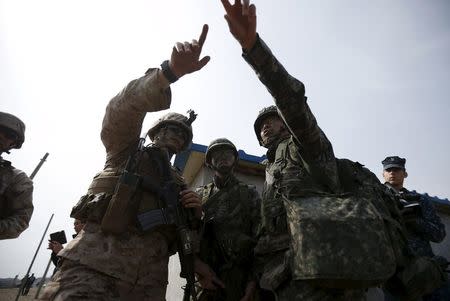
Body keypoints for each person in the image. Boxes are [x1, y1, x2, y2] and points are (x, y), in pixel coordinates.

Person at [40, 25, 218, 301]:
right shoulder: (127, 151)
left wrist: (195, 216)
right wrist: (168, 73)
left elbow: (182, 238)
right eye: (169, 130)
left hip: (148, 284)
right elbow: (121, 109)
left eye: (182, 136)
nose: (175, 137)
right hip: (94, 269)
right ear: (155, 132)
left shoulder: (178, 182)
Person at [220, 1, 373, 299]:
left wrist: (254, 49)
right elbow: (268, 232)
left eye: (273, 120)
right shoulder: (271, 169)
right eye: (260, 126)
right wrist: (255, 282)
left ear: (287, 124)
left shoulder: (305, 146)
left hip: (326, 276)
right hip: (284, 279)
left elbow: (291, 98)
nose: (265, 127)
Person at [196, 138, 261, 301]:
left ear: (235, 159)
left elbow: (261, 239)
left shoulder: (249, 193)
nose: (223, 157)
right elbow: (186, 238)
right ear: (210, 162)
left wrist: (252, 282)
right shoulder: (198, 196)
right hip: (207, 279)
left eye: (227, 153)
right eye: (217, 154)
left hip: (242, 278)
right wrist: (198, 270)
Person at [382, 156, 447, 301]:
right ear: (383, 174)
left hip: (423, 270)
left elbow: (439, 234)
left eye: (397, 169)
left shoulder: (420, 200)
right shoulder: (377, 198)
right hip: (394, 274)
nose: (392, 172)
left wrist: (417, 222)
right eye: (389, 169)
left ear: (405, 173)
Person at [0, 112, 34, 240]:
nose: (1, 136)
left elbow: (20, 220)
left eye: (9, 135)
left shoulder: (17, 179)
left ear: (13, 144)